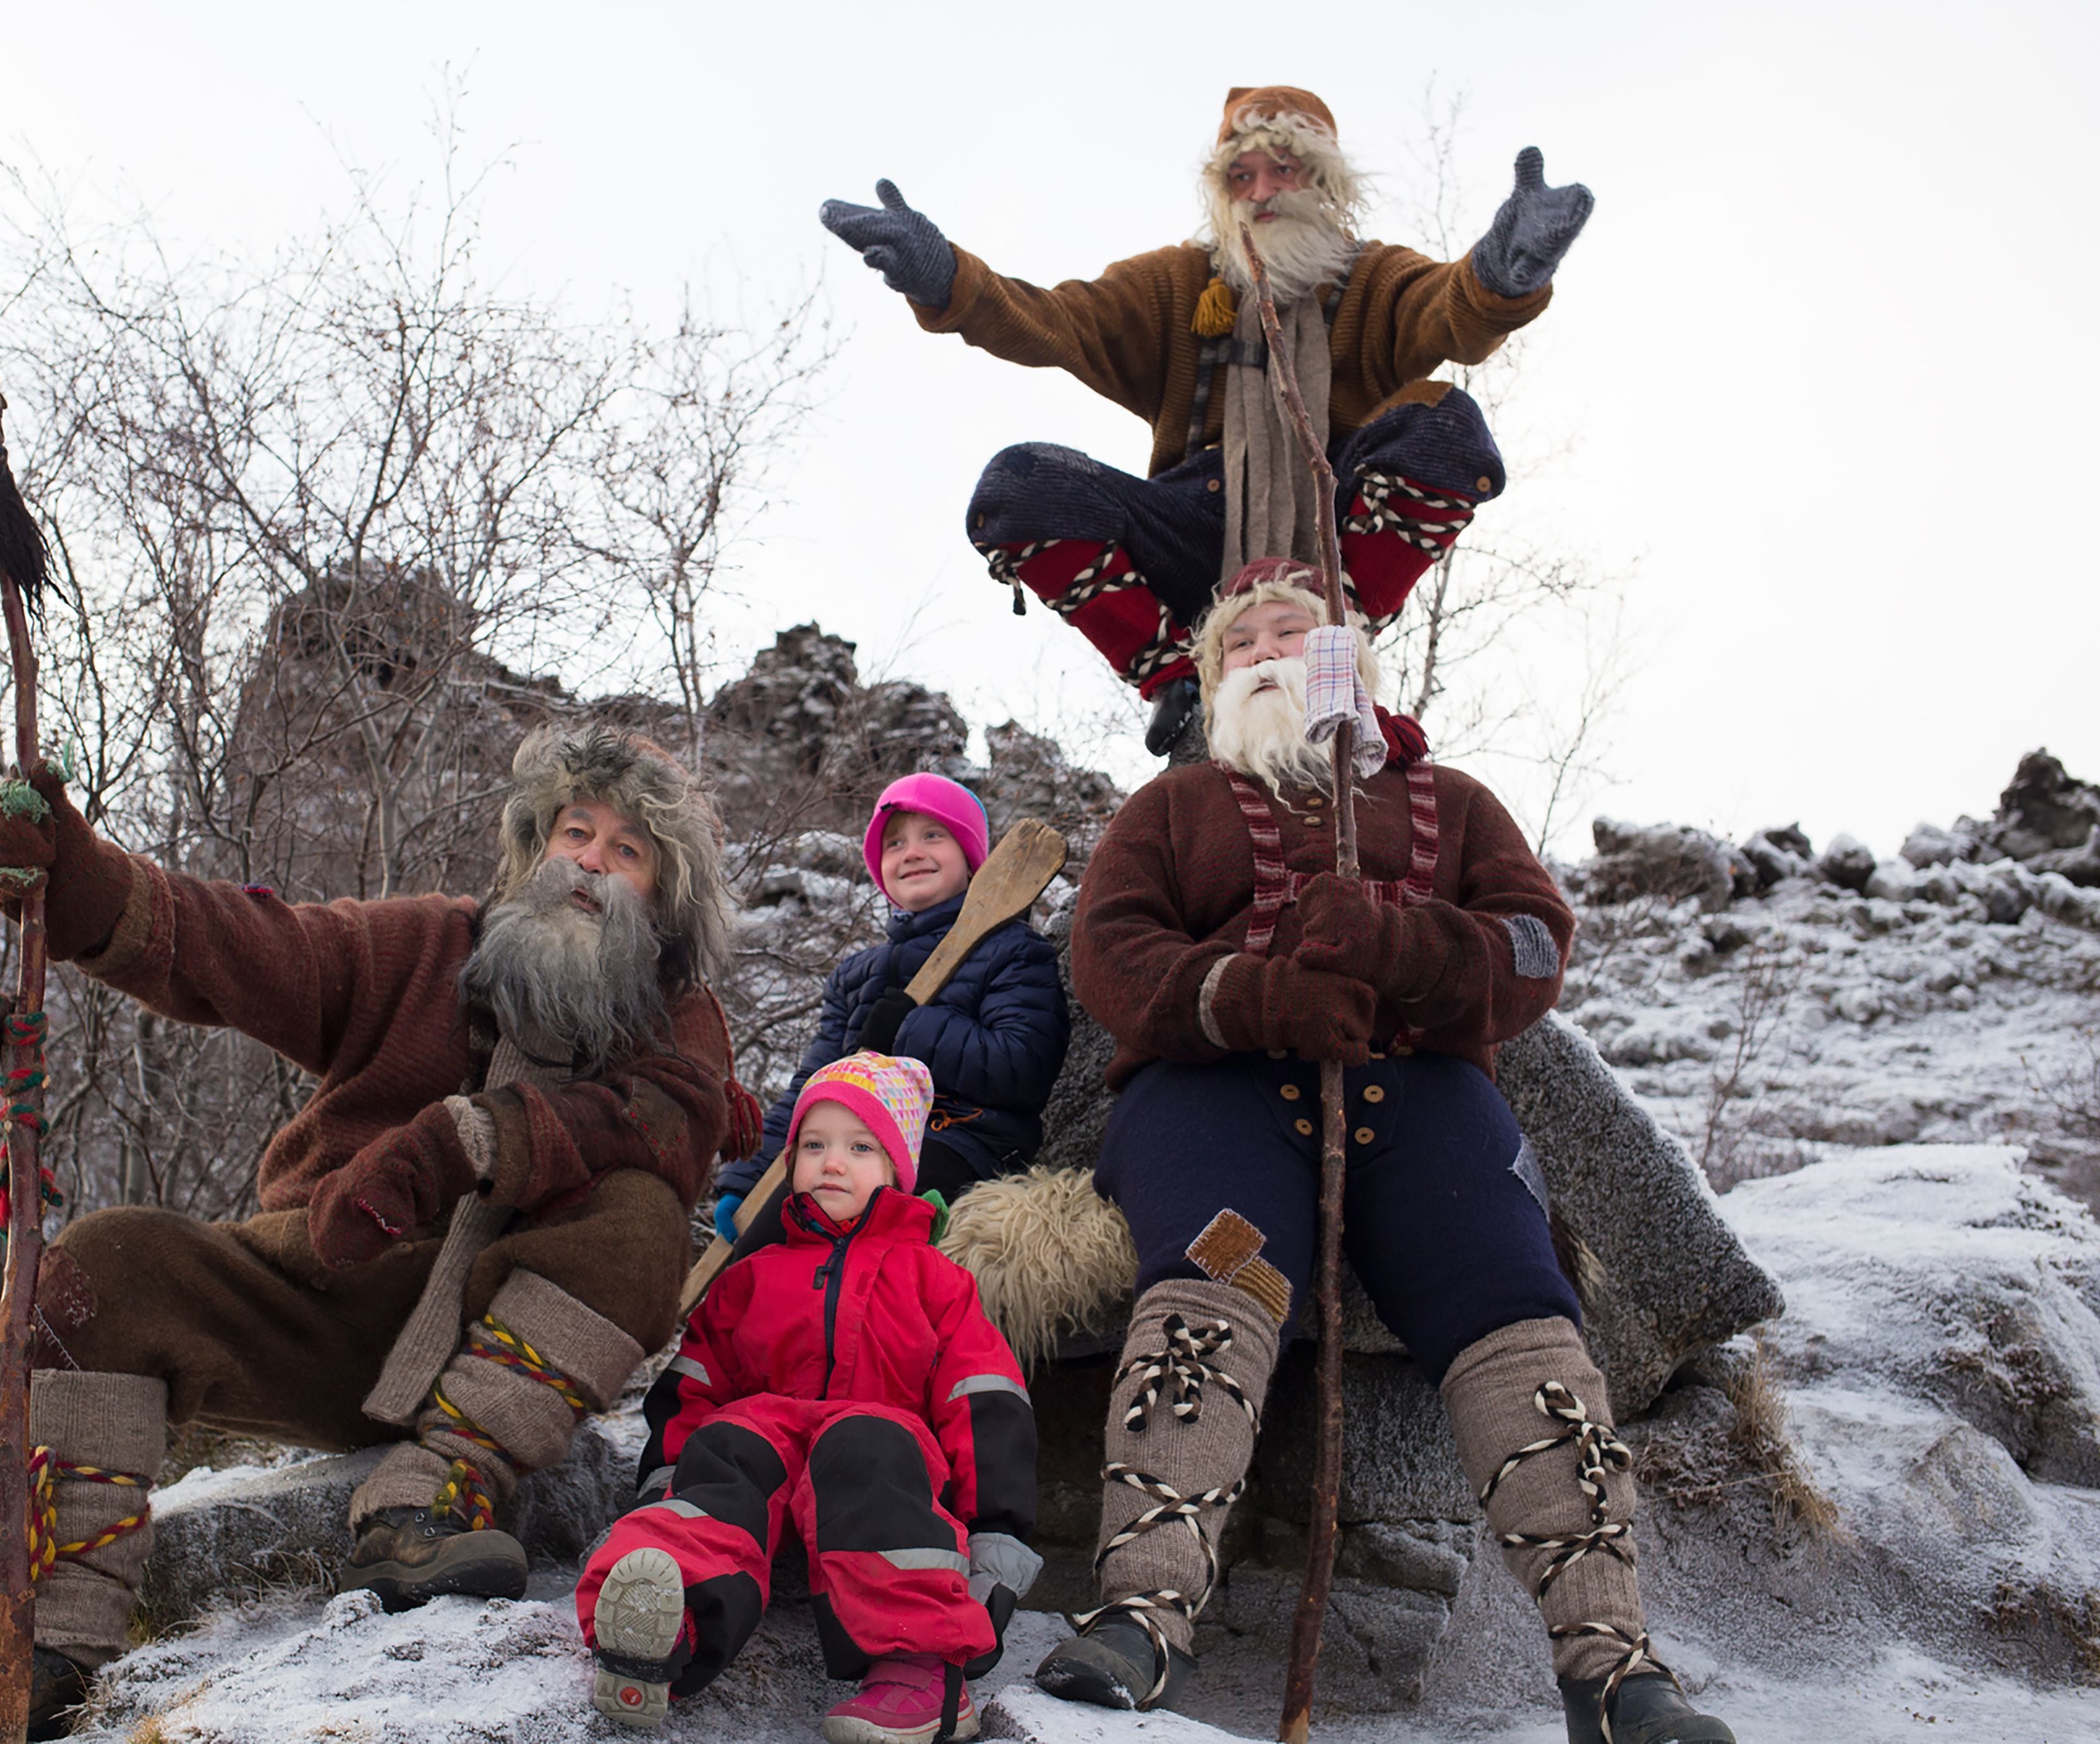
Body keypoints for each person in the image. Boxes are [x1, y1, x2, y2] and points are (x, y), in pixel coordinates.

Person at [0, 720, 755, 1743]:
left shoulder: (676, 1018)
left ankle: (422, 1508)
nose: (590, 863)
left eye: (627, 850)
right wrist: (78, 879)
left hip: (508, 1356)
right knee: (105, 1264)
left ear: (660, 894)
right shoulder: (430, 944)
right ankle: (47, 1640)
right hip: (325, 1297)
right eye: (575, 831)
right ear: (534, 845)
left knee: (640, 1216)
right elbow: (261, 948)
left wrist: (467, 1138)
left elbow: (675, 1119)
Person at [1031, 563, 1735, 1744]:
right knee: (1218, 1278)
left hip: (1420, 1095)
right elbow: (1109, 956)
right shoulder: (1166, 811)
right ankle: (1142, 1615)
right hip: (1216, 1093)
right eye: (1238, 642)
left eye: (1292, 632)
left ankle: (1610, 1665)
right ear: (1210, 683)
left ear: (1346, 663)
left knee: (1512, 1308)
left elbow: (1529, 946)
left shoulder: (1449, 801)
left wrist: (1402, 947)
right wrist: (1252, 996)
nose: (1265, 650)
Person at [820, 85, 1592, 755]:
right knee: (1020, 487)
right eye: (1243, 176)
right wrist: (949, 280)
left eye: (1284, 170)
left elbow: (1447, 313)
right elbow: (1053, 319)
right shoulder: (1178, 283)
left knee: (1448, 425)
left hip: (1332, 530)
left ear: (1324, 184)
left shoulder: (1374, 278)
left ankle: (1333, 638)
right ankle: (1178, 680)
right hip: (1192, 536)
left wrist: (1502, 275)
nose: (1262, 192)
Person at [582, 1051, 1039, 1743]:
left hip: (876, 1447)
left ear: (896, 1170)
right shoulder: (751, 1276)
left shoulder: (935, 1279)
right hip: (769, 1435)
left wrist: (994, 1529)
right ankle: (659, 1621)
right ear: (790, 1160)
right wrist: (669, 1475)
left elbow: (981, 1396)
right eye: (814, 1145)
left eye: (860, 1147)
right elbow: (698, 1383)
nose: (832, 1162)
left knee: (868, 1445)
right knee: (728, 1446)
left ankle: (918, 1664)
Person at [714, 772, 1068, 1240]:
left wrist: (911, 1030)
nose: (912, 852)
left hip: (959, 1143)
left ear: (971, 859)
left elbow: (1025, 1064)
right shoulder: (855, 976)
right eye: (895, 843)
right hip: (849, 1146)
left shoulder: (1014, 950)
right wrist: (750, 1179)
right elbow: (812, 1087)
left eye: (933, 835)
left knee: (866, 1213)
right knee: (768, 1237)